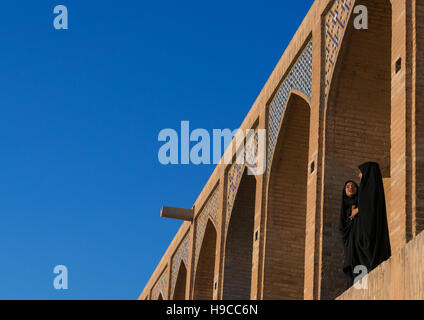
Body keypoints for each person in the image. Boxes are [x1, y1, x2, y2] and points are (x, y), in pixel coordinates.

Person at [355, 162, 391, 274]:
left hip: (370, 224)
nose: (359, 176)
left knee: (368, 242)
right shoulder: (368, 188)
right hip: (367, 224)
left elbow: (368, 206)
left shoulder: (371, 188)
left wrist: (358, 209)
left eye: (360, 172)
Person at [339, 180, 359, 283]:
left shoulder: (359, 202)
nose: (350, 188)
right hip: (348, 239)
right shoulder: (345, 205)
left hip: (358, 237)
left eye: (353, 186)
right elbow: (342, 225)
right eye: (347, 186)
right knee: (350, 261)